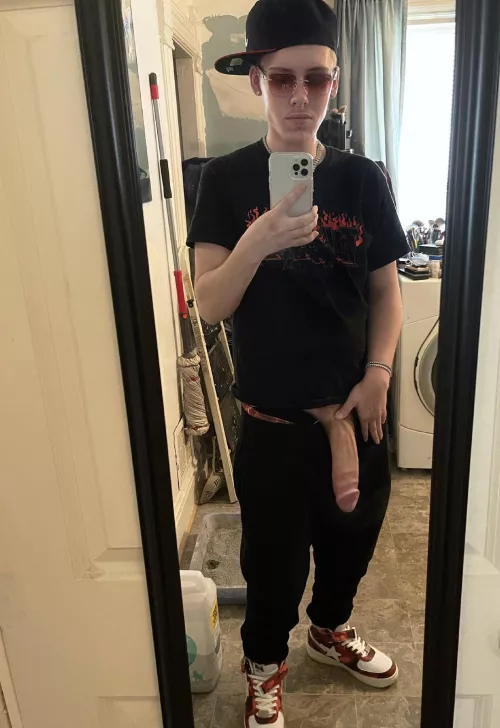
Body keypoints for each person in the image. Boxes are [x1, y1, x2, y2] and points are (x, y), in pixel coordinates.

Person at [187, 0, 410, 725]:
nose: (300, 97)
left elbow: (386, 291)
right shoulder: (225, 181)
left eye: (317, 79)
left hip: (358, 410)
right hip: (273, 422)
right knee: (273, 565)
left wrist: (379, 374)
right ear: (257, 80)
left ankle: (329, 630)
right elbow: (210, 304)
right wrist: (260, 239)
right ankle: (264, 666)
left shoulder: (364, 179)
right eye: (282, 78)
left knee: (352, 542)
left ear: (334, 84)